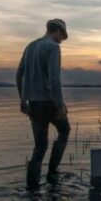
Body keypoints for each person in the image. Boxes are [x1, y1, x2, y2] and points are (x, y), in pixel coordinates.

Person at [16, 19, 71, 188]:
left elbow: (19, 74)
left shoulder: (30, 46)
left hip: (33, 104)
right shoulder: (53, 47)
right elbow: (54, 79)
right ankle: (52, 173)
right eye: (62, 36)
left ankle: (32, 187)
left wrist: (22, 99)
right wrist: (60, 105)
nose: (62, 40)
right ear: (57, 31)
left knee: (40, 146)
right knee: (65, 130)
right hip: (49, 103)